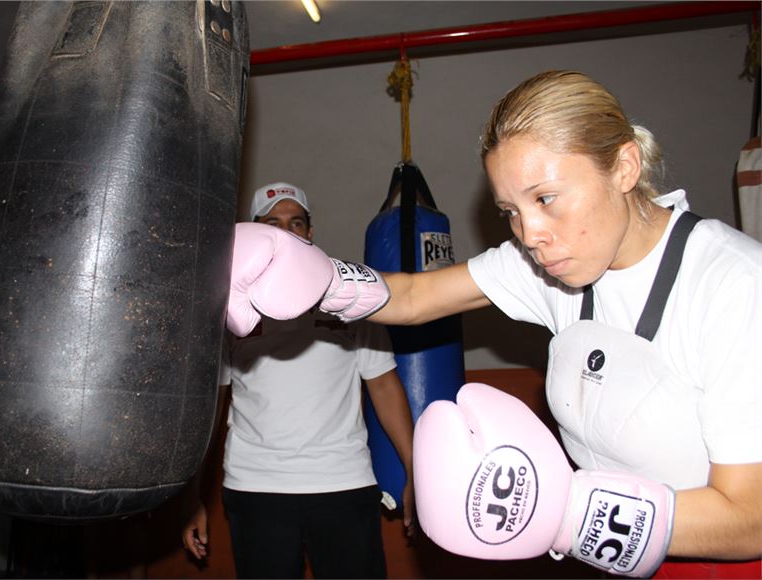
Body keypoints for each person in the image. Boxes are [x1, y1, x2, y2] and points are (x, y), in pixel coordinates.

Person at [227, 72, 762, 579]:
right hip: (609, 560)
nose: (530, 234)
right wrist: (321, 280)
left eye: (545, 199)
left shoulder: (733, 286)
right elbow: (416, 296)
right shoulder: (555, 262)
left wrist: (563, 513)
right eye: (511, 211)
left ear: (624, 167)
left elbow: (749, 520)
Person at [183, 182, 415, 579]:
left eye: (296, 223)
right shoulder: (229, 309)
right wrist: (191, 497)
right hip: (256, 487)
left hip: (343, 482)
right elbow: (211, 407)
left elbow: (384, 387)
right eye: (272, 223)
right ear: (256, 234)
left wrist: (416, 473)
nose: (287, 232)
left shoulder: (350, 296)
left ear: (309, 232)